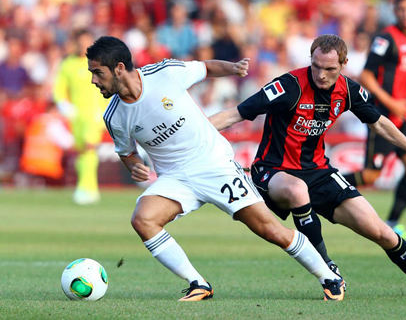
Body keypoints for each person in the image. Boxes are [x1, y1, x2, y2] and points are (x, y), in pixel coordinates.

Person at [86, 36, 345, 302]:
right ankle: (198, 284)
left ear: (119, 68)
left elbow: (206, 68)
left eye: (97, 72)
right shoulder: (114, 115)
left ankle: (329, 277)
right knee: (143, 219)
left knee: (270, 230)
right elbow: (126, 152)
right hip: (175, 178)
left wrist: (232, 68)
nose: (94, 80)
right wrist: (135, 166)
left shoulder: (164, 74)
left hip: (213, 164)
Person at [209, 33, 406, 298]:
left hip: (319, 171)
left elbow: (380, 122)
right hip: (273, 170)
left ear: (343, 64)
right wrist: (187, 133)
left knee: (382, 232)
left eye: (329, 69)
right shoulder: (288, 86)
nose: (321, 74)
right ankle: (328, 271)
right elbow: (234, 115)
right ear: (311, 59)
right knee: (297, 191)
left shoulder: (349, 90)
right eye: (316, 66)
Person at [342, 0, 406, 239]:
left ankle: (392, 222)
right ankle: (318, 185)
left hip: (405, 118)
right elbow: (366, 76)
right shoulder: (385, 38)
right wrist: (391, 103)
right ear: (395, 11)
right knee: (370, 176)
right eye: (401, 10)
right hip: (384, 118)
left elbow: (405, 71)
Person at [54, 30, 107, 205]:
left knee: (89, 147)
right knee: (81, 151)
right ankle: (87, 188)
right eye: (81, 42)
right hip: (76, 114)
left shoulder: (100, 62)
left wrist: (106, 108)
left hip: (95, 113)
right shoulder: (68, 64)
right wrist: (64, 105)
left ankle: (87, 189)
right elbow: (59, 87)